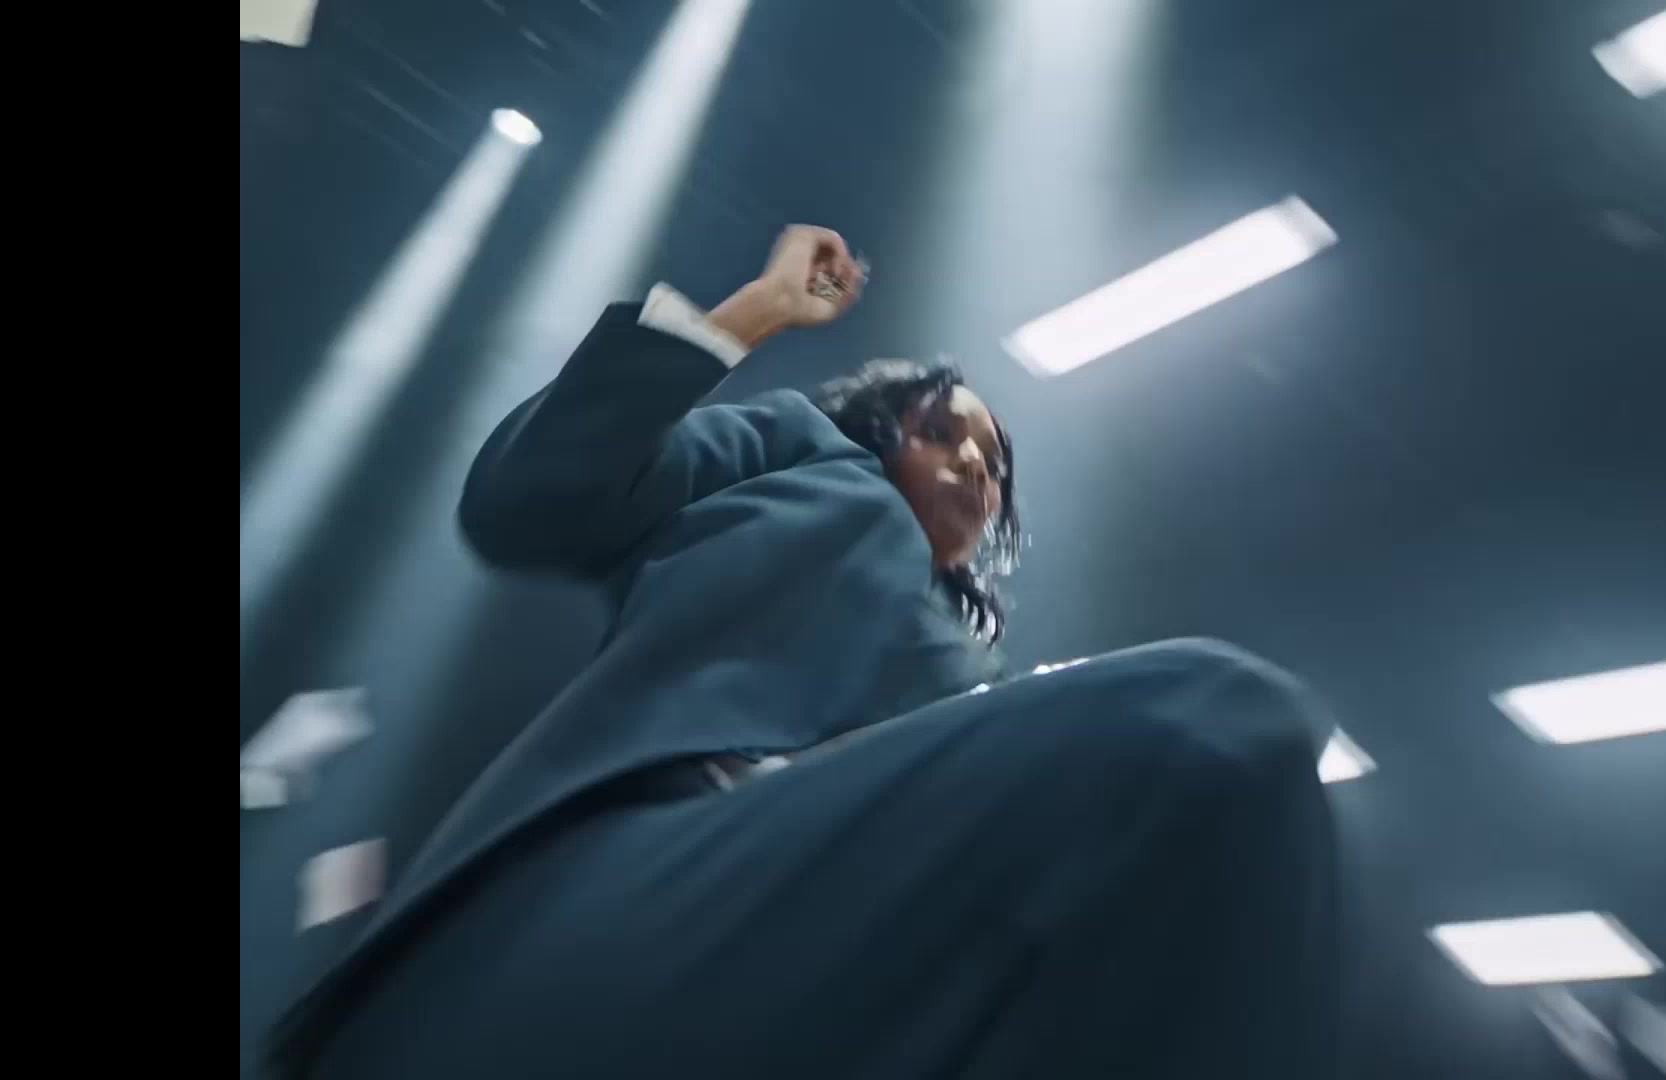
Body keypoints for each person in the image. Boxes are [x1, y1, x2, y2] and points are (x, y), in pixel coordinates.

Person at [264, 226, 1340, 1079]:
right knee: (1214, 718)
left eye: (995, 463)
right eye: (943, 430)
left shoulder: (979, 687)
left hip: (832, 941)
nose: (976, 464)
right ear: (878, 433)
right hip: (634, 861)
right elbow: (530, 495)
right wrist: (762, 308)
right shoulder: (807, 457)